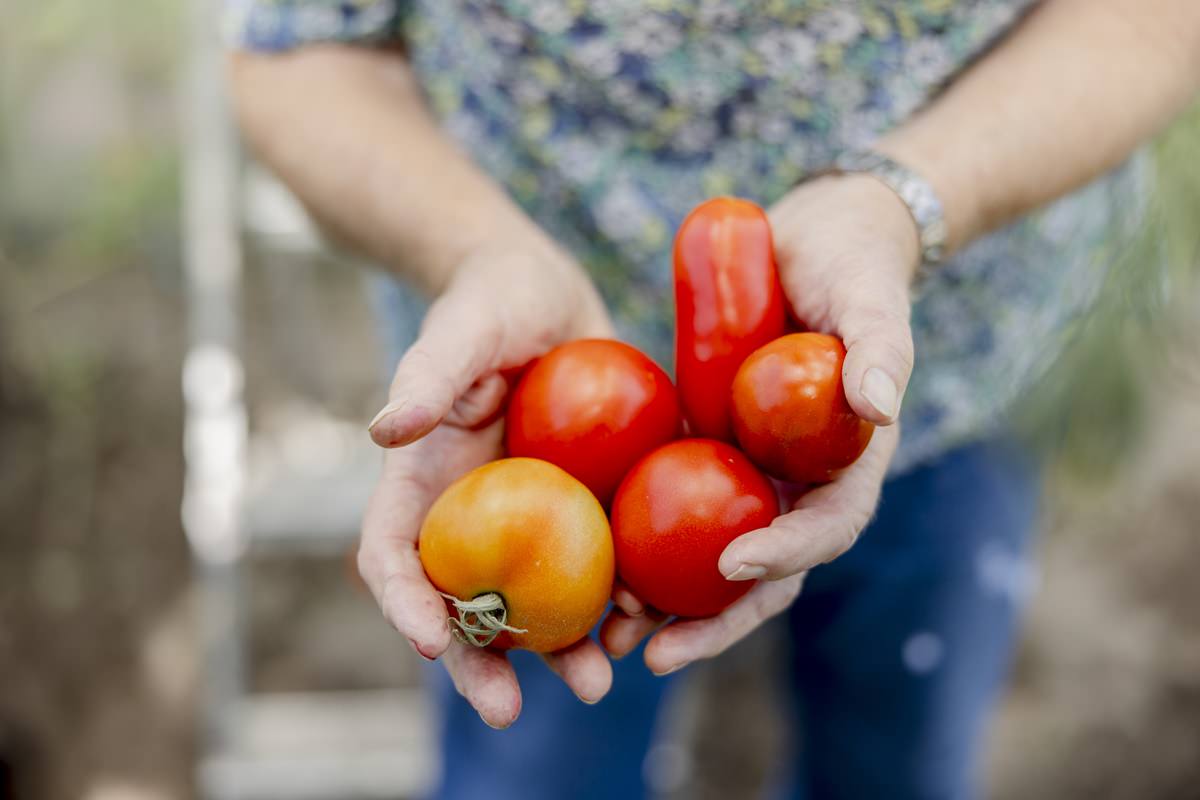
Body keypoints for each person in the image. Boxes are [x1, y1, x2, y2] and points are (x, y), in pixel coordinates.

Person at [227, 1, 1200, 797]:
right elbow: (287, 47)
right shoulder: (514, 516)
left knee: (894, 751)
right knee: (537, 771)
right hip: (509, 418)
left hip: (946, 363)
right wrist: (477, 248)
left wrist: (904, 199)